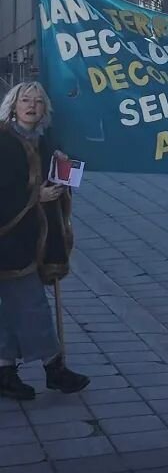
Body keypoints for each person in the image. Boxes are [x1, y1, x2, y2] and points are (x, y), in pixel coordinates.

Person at [0, 82, 90, 401]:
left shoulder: (43, 141)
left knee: (10, 309)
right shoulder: (4, 140)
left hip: (30, 238)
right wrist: (33, 196)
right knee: (32, 305)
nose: (31, 105)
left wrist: (62, 174)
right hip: (8, 240)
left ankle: (5, 371)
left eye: (38, 102)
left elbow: (57, 180)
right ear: (13, 105)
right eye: (25, 99)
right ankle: (55, 368)